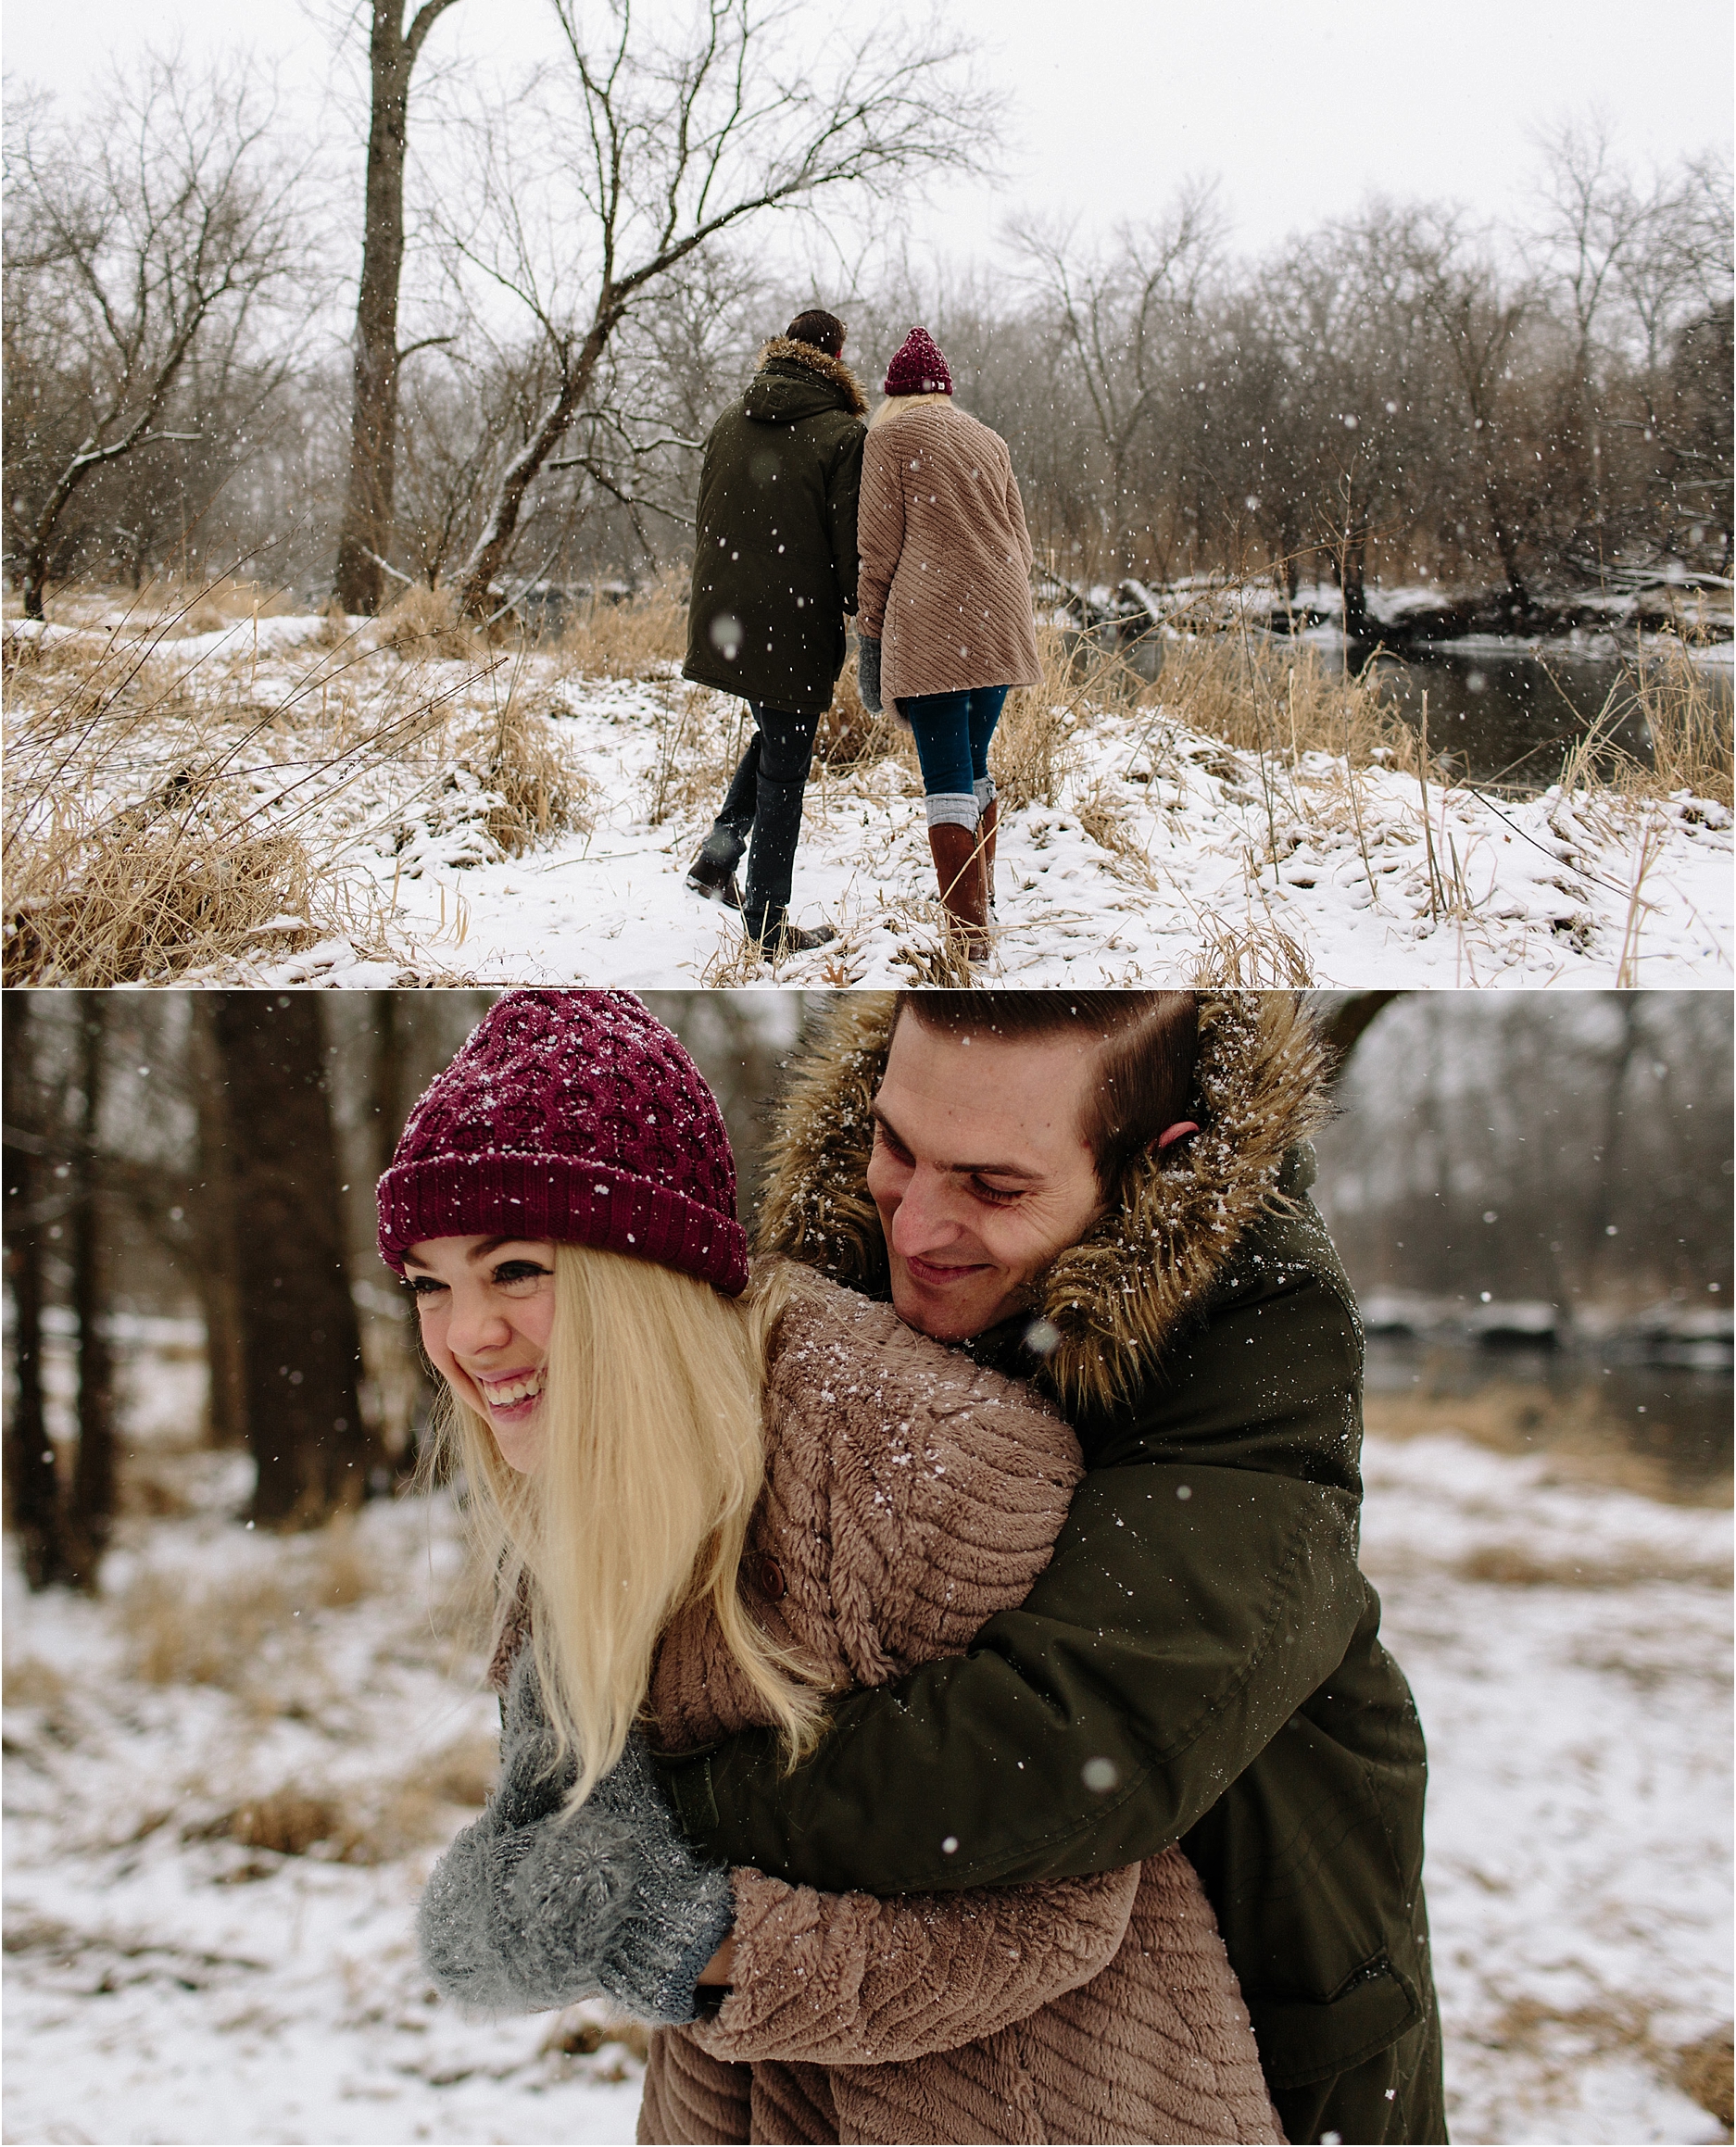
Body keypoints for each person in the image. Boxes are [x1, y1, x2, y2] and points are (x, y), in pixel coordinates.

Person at [382, 989, 1286, 2145]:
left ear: (643, 1273)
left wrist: (695, 1940)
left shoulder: (916, 1461)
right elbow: (579, 1847)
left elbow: (1059, 1905)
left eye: (515, 1267)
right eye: (428, 1281)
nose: (464, 1334)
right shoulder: (580, 1480)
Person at [573, 989, 1447, 2146]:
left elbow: (1071, 1741)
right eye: (897, 1146)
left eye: (993, 1186)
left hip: (1274, 2002)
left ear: (1156, 1170)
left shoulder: (1258, 1325)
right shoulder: (826, 1261)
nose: (914, 1223)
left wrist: (672, 1809)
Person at [682, 310, 868, 958]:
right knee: (787, 763)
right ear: (837, 356)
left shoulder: (731, 419)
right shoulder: (844, 434)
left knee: (775, 736)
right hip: (791, 621)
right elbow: (850, 541)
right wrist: (858, 604)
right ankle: (766, 925)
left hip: (725, 612)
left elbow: (707, 515)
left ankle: (715, 862)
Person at [855, 329, 1040, 953]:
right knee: (974, 767)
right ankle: (979, 915)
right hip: (1001, 616)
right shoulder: (988, 438)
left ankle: (968, 939)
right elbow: (1021, 541)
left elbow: (877, 553)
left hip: (935, 623)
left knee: (946, 781)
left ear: (893, 394)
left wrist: (871, 643)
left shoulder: (887, 439)